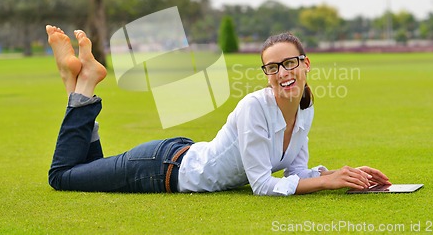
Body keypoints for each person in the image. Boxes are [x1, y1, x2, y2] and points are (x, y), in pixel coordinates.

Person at [46, 25, 391, 196]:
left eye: (290, 63)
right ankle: (81, 83)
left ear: (306, 64)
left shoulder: (305, 108)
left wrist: (342, 174)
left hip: (181, 154)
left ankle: (79, 83)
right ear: (267, 74)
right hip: (159, 169)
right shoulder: (255, 107)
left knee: (85, 169)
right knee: (63, 177)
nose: (283, 73)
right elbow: (261, 184)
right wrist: (327, 182)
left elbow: (295, 172)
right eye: (273, 67)